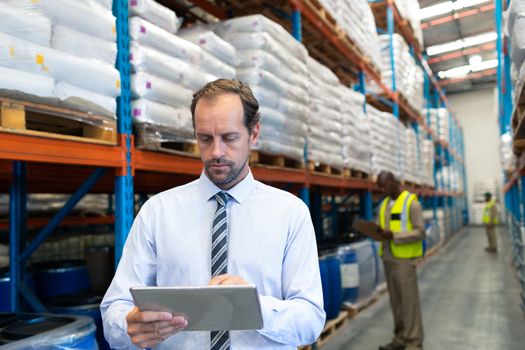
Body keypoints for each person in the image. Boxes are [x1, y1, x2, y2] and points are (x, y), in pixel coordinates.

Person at [100, 79, 325, 349]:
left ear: (253, 134)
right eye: (205, 138)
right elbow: (115, 308)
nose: (216, 151)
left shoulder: (290, 214)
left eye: (229, 138)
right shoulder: (157, 213)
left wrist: (254, 308)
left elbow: (310, 320)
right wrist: (127, 325)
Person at [376, 171, 425, 350]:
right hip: (388, 257)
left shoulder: (412, 203)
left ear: (393, 182)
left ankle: (414, 343)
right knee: (396, 303)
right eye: (380, 188)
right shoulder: (384, 205)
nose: (382, 190)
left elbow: (420, 232)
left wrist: (394, 235)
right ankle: (400, 338)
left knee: (409, 302)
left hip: (404, 260)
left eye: (384, 186)